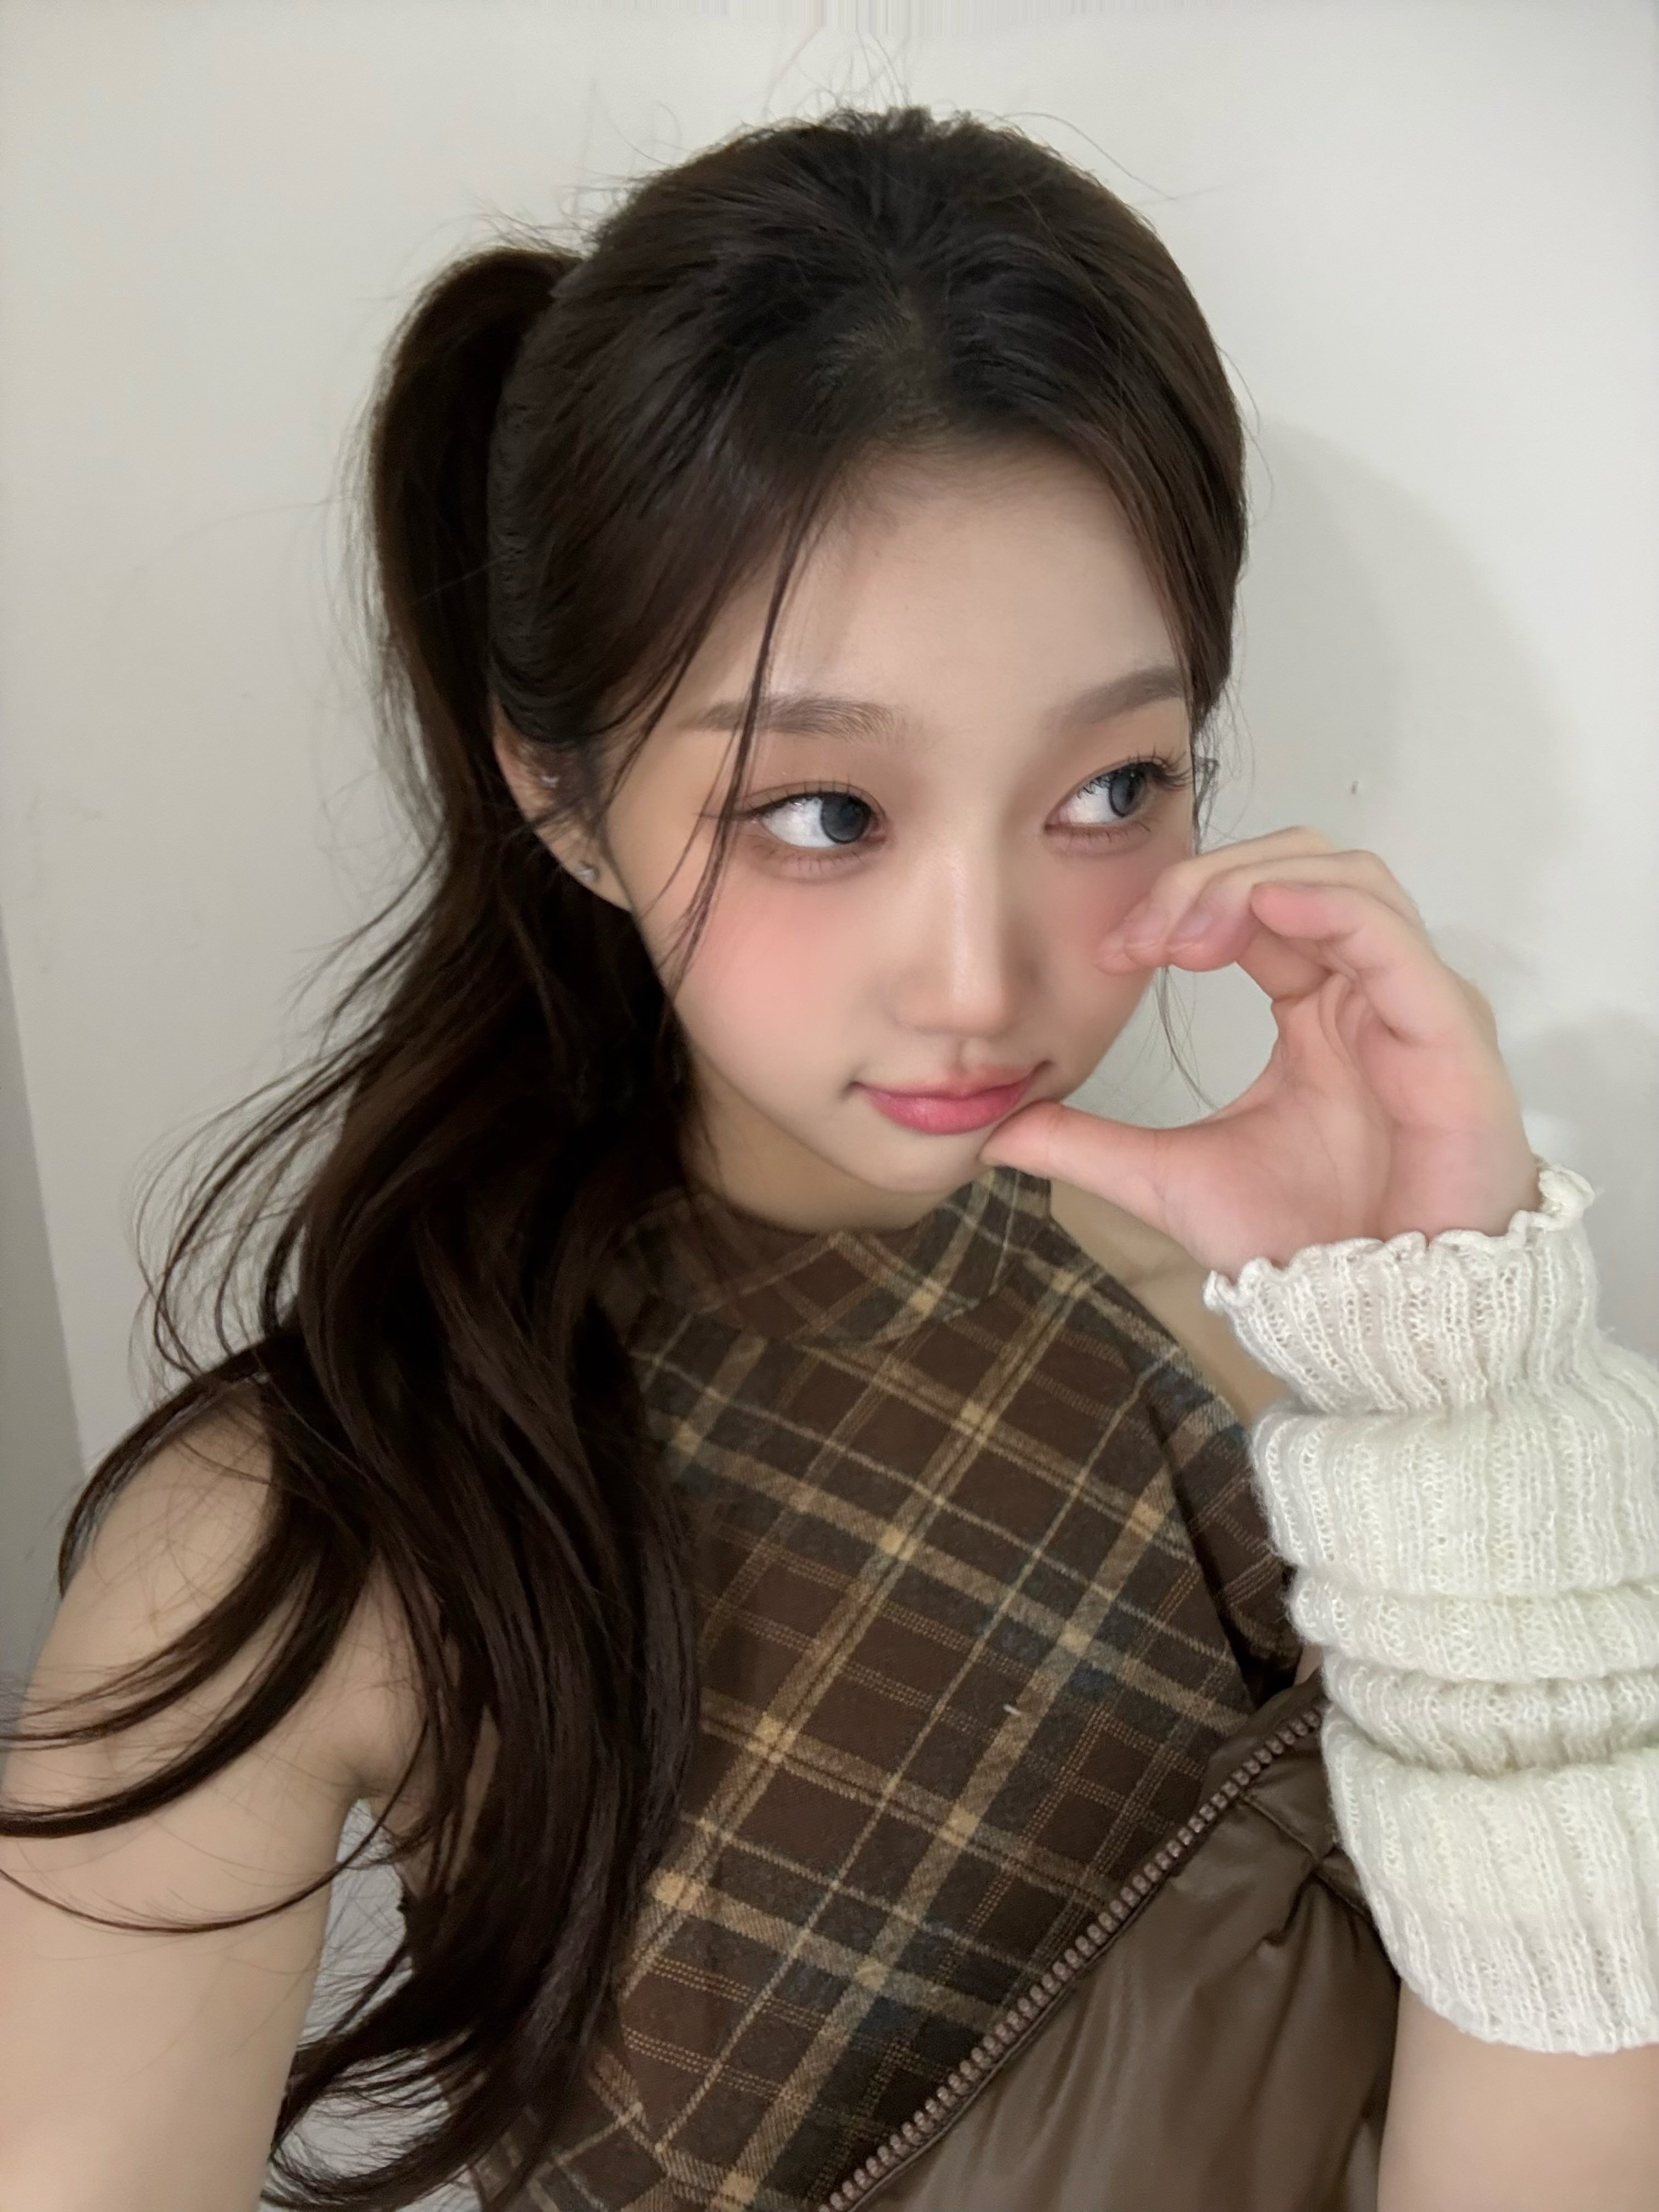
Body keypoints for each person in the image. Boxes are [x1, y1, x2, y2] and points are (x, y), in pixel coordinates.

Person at [1, 102, 1656, 2212]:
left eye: (1111, 786)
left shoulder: (1333, 1361)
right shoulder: (314, 1532)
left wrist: (1465, 1398)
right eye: (825, 813)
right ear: (560, 792)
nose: (982, 978)